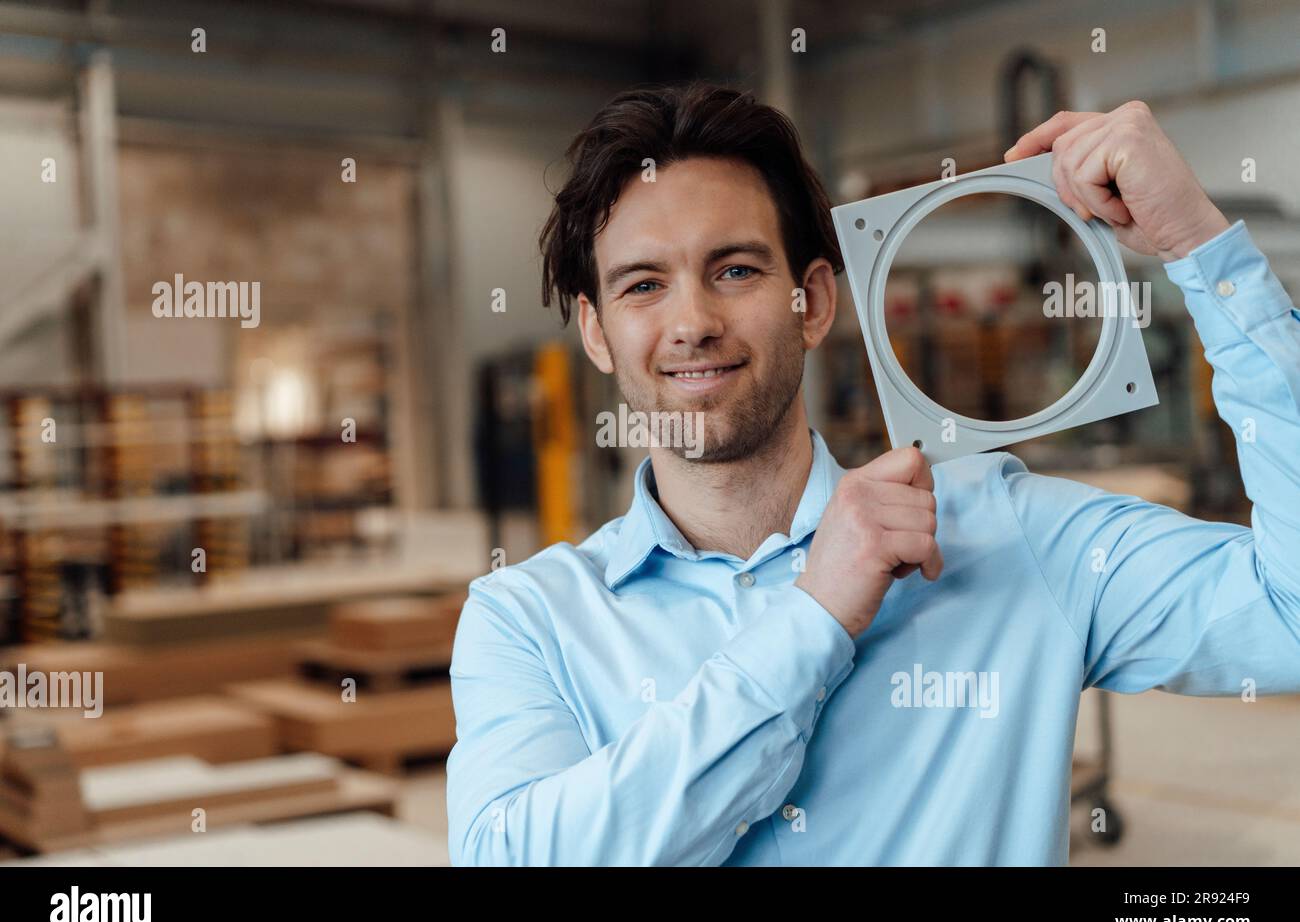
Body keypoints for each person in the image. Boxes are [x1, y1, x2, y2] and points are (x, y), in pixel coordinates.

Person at [445, 82, 1300, 865]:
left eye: (735, 270)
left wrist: (1201, 246)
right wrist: (814, 619)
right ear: (596, 333)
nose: (693, 322)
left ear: (812, 302)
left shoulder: (1004, 536)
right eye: (642, 285)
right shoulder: (528, 621)